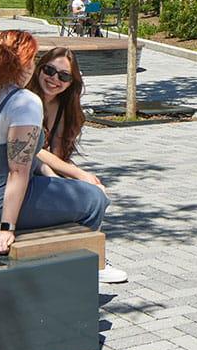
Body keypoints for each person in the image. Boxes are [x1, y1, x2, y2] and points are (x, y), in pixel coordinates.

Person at [0, 30, 119, 284]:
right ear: (28, 62)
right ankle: (85, 268)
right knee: (95, 199)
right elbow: (17, 171)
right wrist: (6, 229)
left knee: (74, 190)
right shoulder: (25, 101)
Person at [23, 47, 127, 283]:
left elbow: (56, 154)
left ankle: (88, 255)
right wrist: (76, 175)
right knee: (87, 194)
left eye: (64, 76)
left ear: (72, 82)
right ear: (40, 69)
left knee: (94, 192)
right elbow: (34, 151)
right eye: (50, 70)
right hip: (23, 177)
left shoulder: (61, 107)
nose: (54, 79)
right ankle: (92, 260)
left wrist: (71, 179)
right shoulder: (27, 101)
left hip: (41, 174)